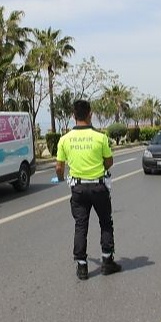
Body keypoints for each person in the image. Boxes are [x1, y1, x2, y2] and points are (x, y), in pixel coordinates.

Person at [53, 99, 122, 280]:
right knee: (106, 223)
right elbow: (109, 162)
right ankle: (107, 262)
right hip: (99, 187)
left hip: (78, 188)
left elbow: (59, 167)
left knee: (80, 225)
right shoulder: (100, 137)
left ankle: (82, 267)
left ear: (73, 116)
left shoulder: (64, 140)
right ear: (90, 114)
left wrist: (61, 178)